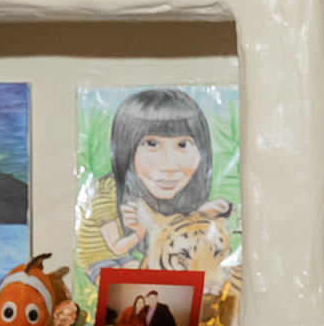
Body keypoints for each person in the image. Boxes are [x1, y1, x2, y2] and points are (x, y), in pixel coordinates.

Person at [77, 88, 231, 292]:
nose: (169, 166)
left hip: (128, 255)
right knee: (133, 283)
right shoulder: (106, 191)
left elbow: (176, 230)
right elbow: (115, 247)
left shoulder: (174, 194)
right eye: (151, 144)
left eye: (183, 144)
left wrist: (203, 214)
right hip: (102, 256)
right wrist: (139, 233)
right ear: (125, 147)